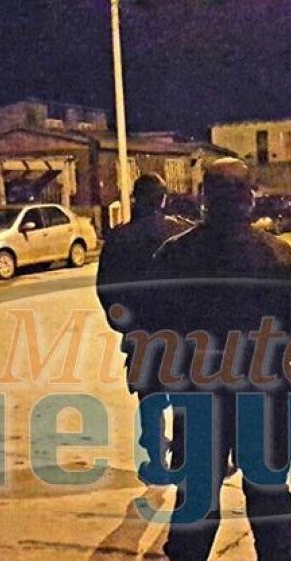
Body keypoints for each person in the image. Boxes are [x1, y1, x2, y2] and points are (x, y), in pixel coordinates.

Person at [139, 158, 291, 561]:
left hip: (197, 395)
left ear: (204, 199)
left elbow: (151, 330)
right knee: (269, 493)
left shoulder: (176, 255)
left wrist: (156, 394)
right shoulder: (275, 255)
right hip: (262, 396)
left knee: (197, 492)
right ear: (249, 199)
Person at [96, 173, 192, 467]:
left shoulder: (118, 239)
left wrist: (124, 323)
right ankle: (181, 457)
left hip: (140, 333)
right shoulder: (182, 233)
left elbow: (106, 289)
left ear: (135, 199)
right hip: (181, 333)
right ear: (163, 200)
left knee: (149, 399)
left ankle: (155, 454)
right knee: (183, 398)